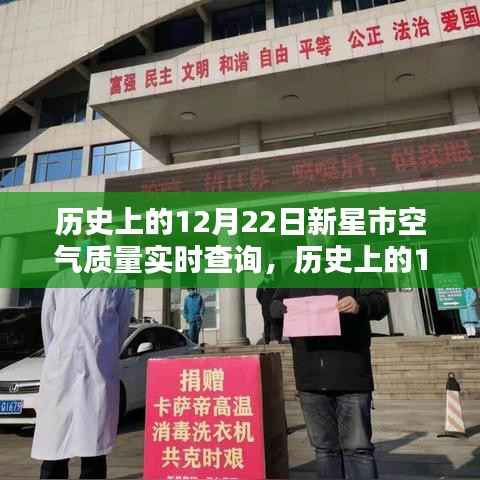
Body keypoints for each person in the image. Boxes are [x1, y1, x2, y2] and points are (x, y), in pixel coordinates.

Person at [31, 237, 134, 479]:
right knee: (54, 451)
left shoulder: (117, 282)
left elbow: (120, 329)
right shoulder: (58, 281)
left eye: (94, 242)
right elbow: (48, 329)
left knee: (93, 453)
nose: (88, 246)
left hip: (97, 374)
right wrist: (62, 356)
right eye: (83, 241)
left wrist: (99, 354)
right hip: (61, 376)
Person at [271, 284, 389, 480]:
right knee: (325, 450)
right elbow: (274, 305)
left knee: (358, 449)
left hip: (351, 375)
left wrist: (360, 304)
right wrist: (281, 309)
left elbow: (381, 302)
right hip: (310, 378)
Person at [256, 280, 283, 344]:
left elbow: (278, 294)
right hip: (265, 307)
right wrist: (263, 303)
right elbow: (258, 296)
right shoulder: (261, 285)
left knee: (276, 323)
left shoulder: (274, 283)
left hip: (274, 306)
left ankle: (277, 338)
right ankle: (267, 339)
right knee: (267, 323)